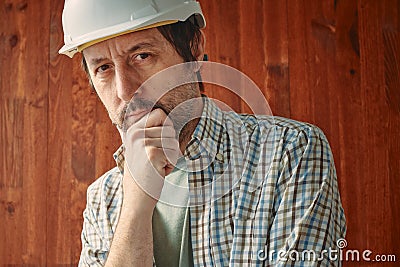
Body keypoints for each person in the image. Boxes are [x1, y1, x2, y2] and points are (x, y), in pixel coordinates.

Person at [59, 0, 346, 266]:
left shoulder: (289, 153)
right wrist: (135, 206)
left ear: (194, 49)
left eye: (142, 55)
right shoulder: (102, 199)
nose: (125, 91)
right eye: (104, 68)